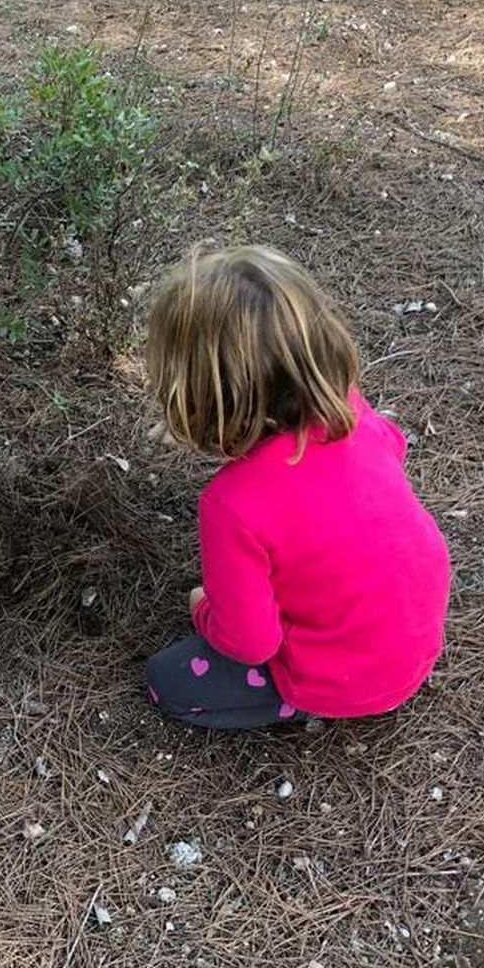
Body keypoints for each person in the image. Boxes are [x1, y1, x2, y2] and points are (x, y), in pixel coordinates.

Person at [142, 244, 450, 729]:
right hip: (416, 636)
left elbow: (250, 643)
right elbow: (388, 459)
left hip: (345, 678)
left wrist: (203, 608)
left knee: (167, 679)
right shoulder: (355, 415)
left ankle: (300, 701)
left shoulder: (232, 504)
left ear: (200, 394)